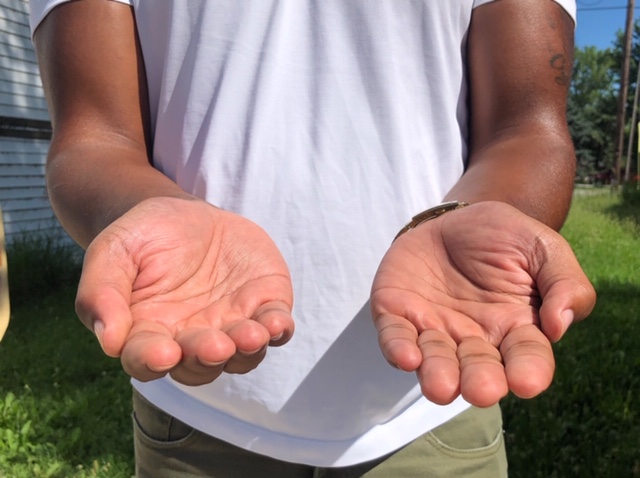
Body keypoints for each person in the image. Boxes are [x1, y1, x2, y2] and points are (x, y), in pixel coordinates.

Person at [30, 0, 596, 476]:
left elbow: (527, 130)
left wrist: (475, 217)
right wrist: (155, 214)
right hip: (195, 417)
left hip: (432, 406)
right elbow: (94, 139)